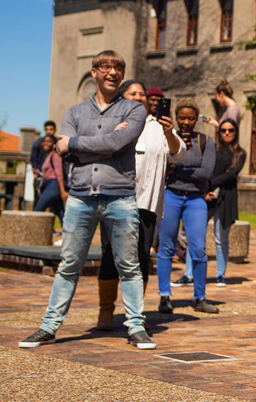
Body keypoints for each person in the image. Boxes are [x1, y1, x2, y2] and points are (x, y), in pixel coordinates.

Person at [19, 50, 154, 350]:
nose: (112, 72)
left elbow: (115, 142)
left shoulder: (134, 110)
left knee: (129, 266)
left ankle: (135, 327)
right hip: (80, 198)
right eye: (105, 67)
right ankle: (49, 326)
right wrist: (99, 145)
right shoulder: (74, 113)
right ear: (94, 72)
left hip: (120, 197)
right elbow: (64, 149)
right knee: (69, 265)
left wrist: (77, 143)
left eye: (118, 68)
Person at [95, 79, 184, 330]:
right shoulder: (112, 122)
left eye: (142, 94)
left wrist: (169, 131)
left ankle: (135, 314)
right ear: (122, 97)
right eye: (132, 93)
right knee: (110, 255)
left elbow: (179, 153)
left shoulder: (157, 126)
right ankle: (105, 310)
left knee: (142, 257)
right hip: (113, 199)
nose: (138, 97)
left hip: (145, 203)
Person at [155, 99, 218, 315]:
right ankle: (164, 297)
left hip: (195, 200)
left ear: (196, 119)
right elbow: (162, 166)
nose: (186, 122)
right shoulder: (166, 138)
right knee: (166, 247)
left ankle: (199, 297)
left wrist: (177, 167)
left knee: (198, 248)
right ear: (175, 117)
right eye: (182, 118)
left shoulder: (205, 141)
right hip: (170, 196)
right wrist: (189, 167)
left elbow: (207, 173)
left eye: (191, 118)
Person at [209, 118, 246, 286]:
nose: (227, 133)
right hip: (207, 195)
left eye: (231, 130)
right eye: (223, 130)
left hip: (227, 196)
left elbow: (231, 173)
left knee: (221, 236)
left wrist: (210, 184)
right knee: (195, 234)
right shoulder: (213, 150)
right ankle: (188, 274)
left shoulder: (240, 153)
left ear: (236, 132)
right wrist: (205, 189)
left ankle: (220, 274)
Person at [32, 135, 66, 220]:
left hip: (53, 185)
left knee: (38, 210)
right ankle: (69, 231)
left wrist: (62, 192)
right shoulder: (48, 155)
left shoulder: (55, 155)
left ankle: (30, 231)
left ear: (54, 144)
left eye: (49, 142)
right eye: (44, 141)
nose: (45, 144)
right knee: (60, 213)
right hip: (49, 184)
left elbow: (59, 174)